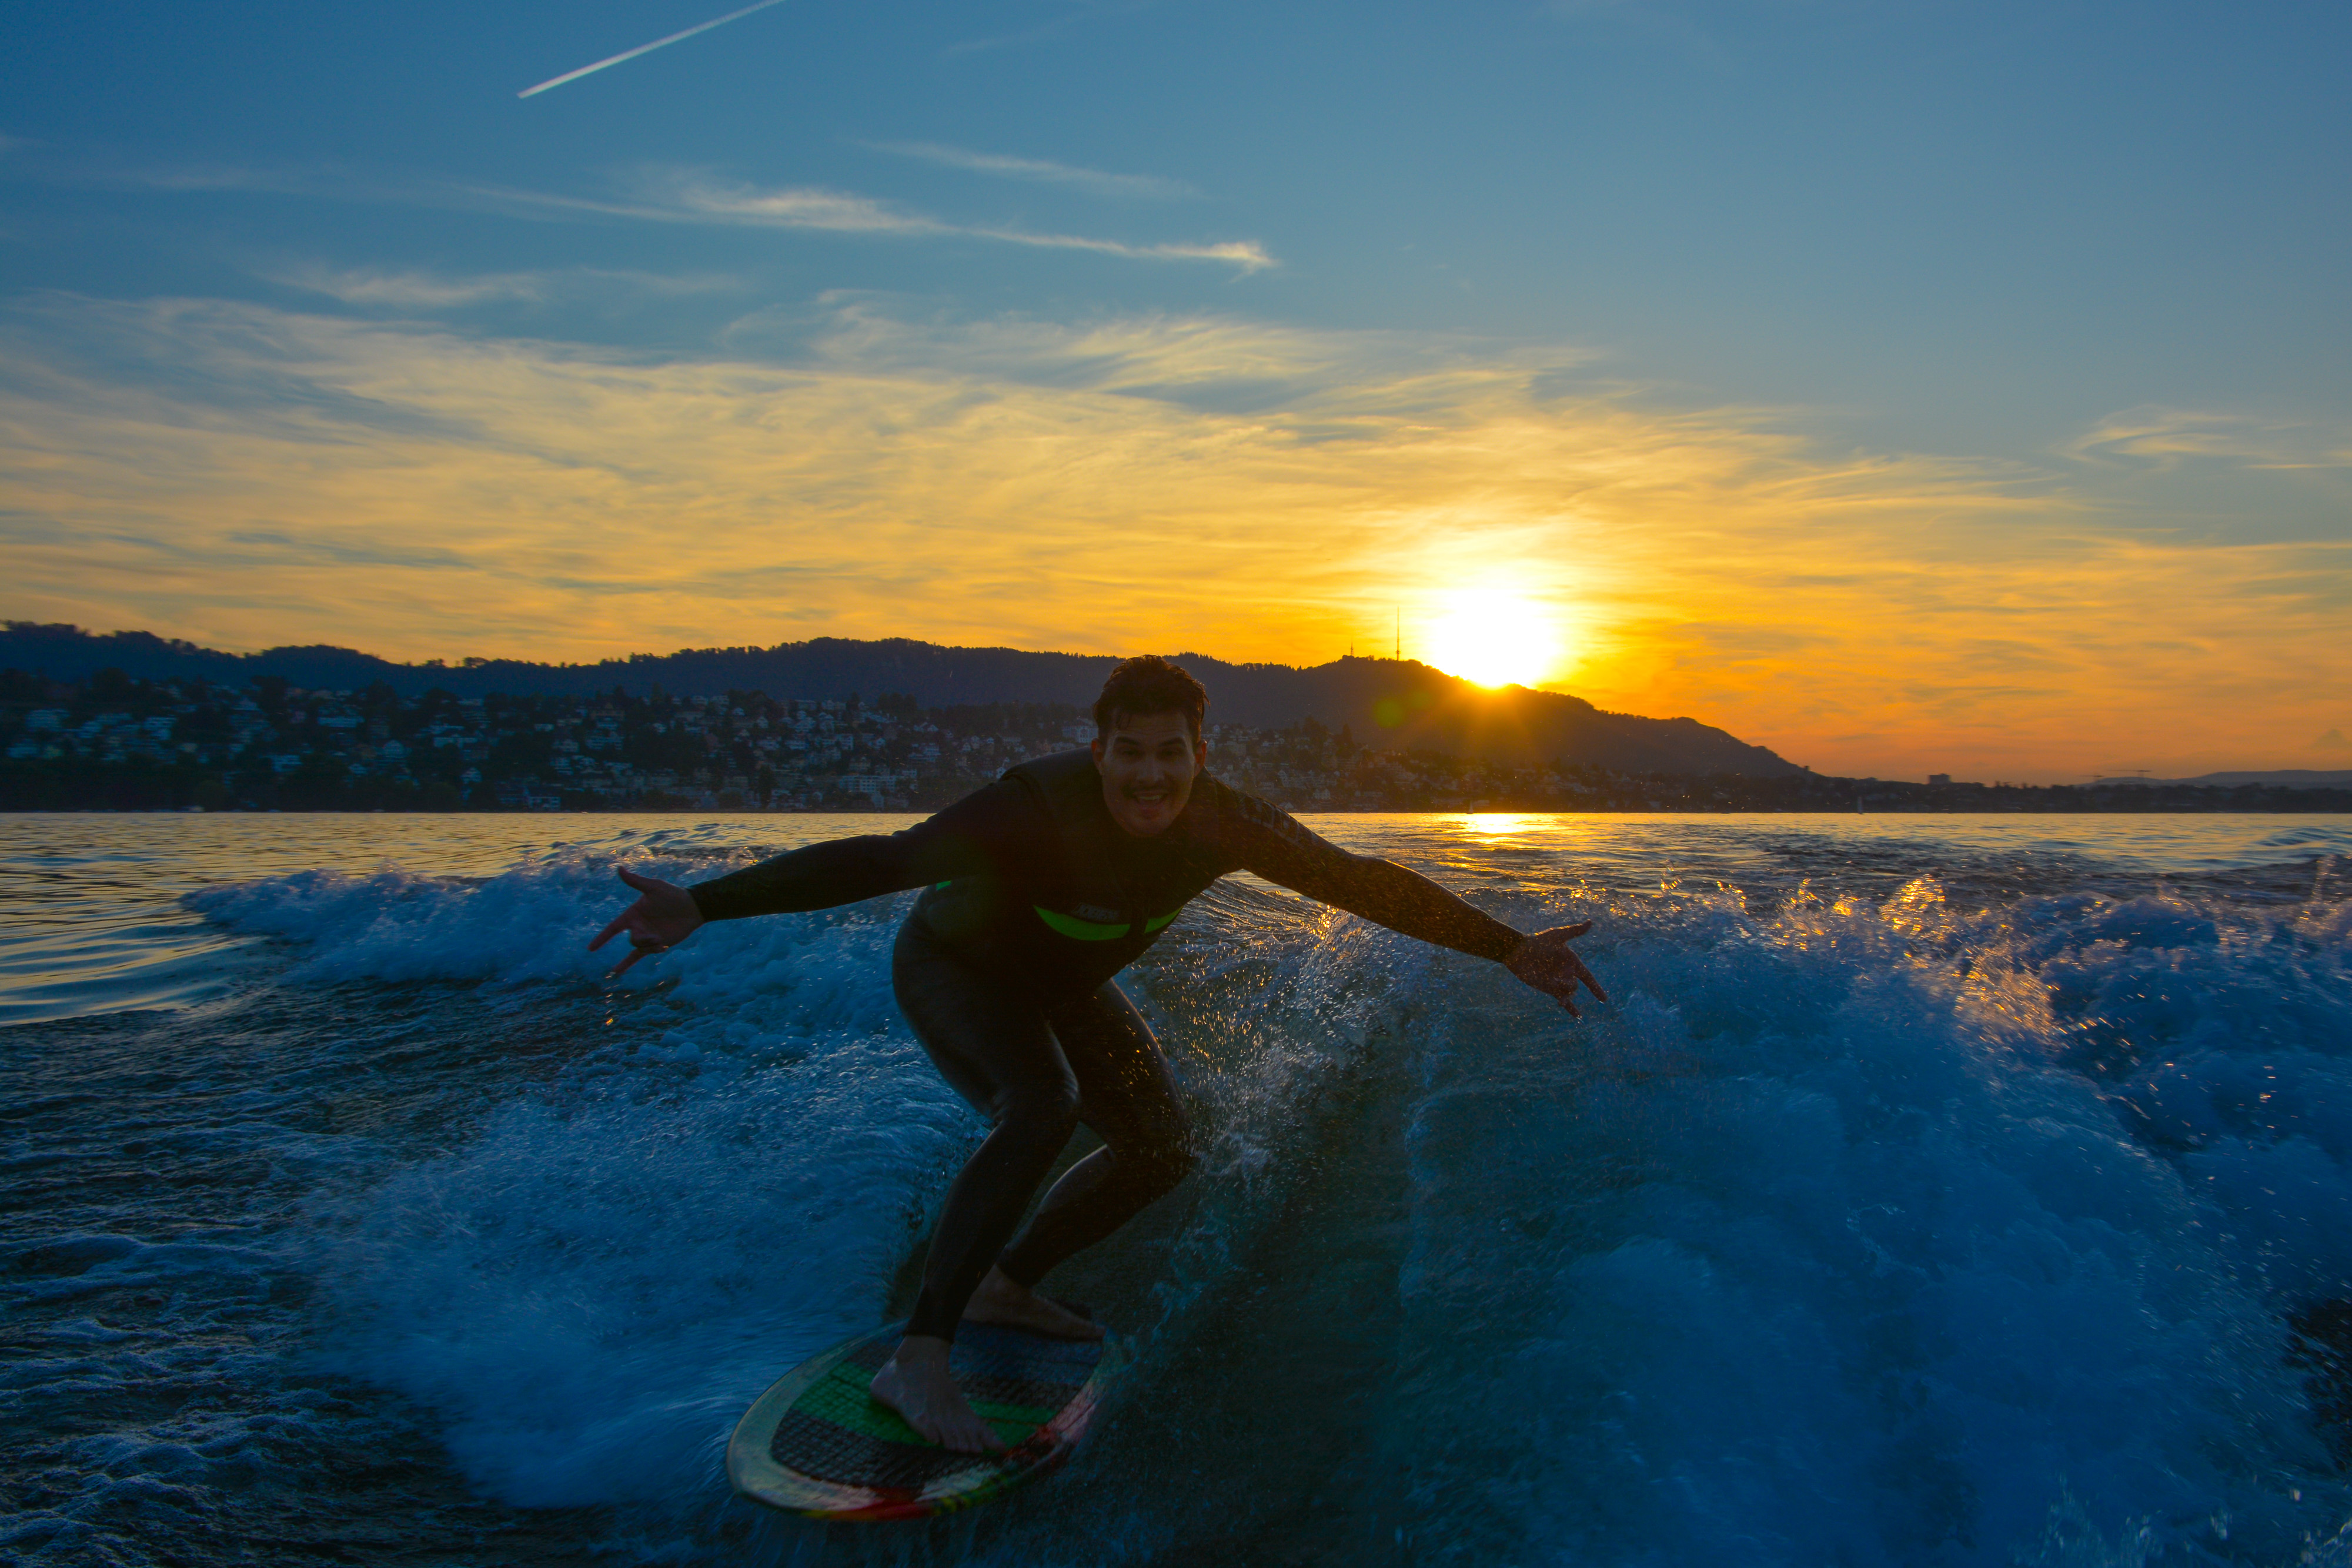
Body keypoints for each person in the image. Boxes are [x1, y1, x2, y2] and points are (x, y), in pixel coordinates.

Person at [590, 656, 1606, 1453]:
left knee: (1163, 1147)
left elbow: (1363, 880)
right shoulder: (1030, 808)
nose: (1151, 775)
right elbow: (881, 860)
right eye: (1131, 752)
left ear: (1201, 752)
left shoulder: (1225, 824)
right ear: (1100, 749)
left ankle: (1007, 1282)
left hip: (1063, 984)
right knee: (1040, 1106)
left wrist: (1510, 947)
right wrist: (702, 904)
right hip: (955, 967)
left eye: (1171, 752)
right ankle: (921, 1356)